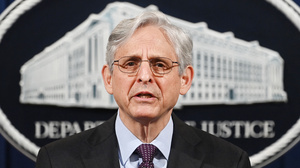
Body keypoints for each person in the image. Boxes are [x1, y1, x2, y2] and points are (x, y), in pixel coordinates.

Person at [36, 10, 251, 168]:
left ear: (184, 79)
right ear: (109, 78)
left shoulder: (230, 162)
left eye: (160, 64)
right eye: (130, 64)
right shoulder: (57, 161)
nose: (145, 76)